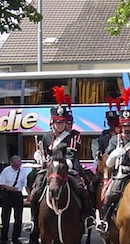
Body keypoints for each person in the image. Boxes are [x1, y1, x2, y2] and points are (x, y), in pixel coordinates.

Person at [28, 85, 93, 234]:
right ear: (52, 122)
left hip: (66, 168)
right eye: (58, 122)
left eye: (63, 122)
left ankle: (88, 217)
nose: (61, 125)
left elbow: (70, 155)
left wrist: (61, 166)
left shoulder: (72, 136)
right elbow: (43, 152)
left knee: (80, 189)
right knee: (36, 190)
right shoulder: (46, 136)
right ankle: (33, 221)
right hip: (49, 170)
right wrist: (39, 156)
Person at [0, 155, 28, 244]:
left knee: (18, 217)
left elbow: (25, 185)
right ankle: (4, 238)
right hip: (7, 195)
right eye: (17, 162)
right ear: (12, 163)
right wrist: (10, 188)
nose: (19, 163)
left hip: (18, 195)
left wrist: (29, 195)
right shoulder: (6, 171)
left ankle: (16, 238)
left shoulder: (22, 172)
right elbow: (0, 184)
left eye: (20, 161)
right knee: (5, 217)